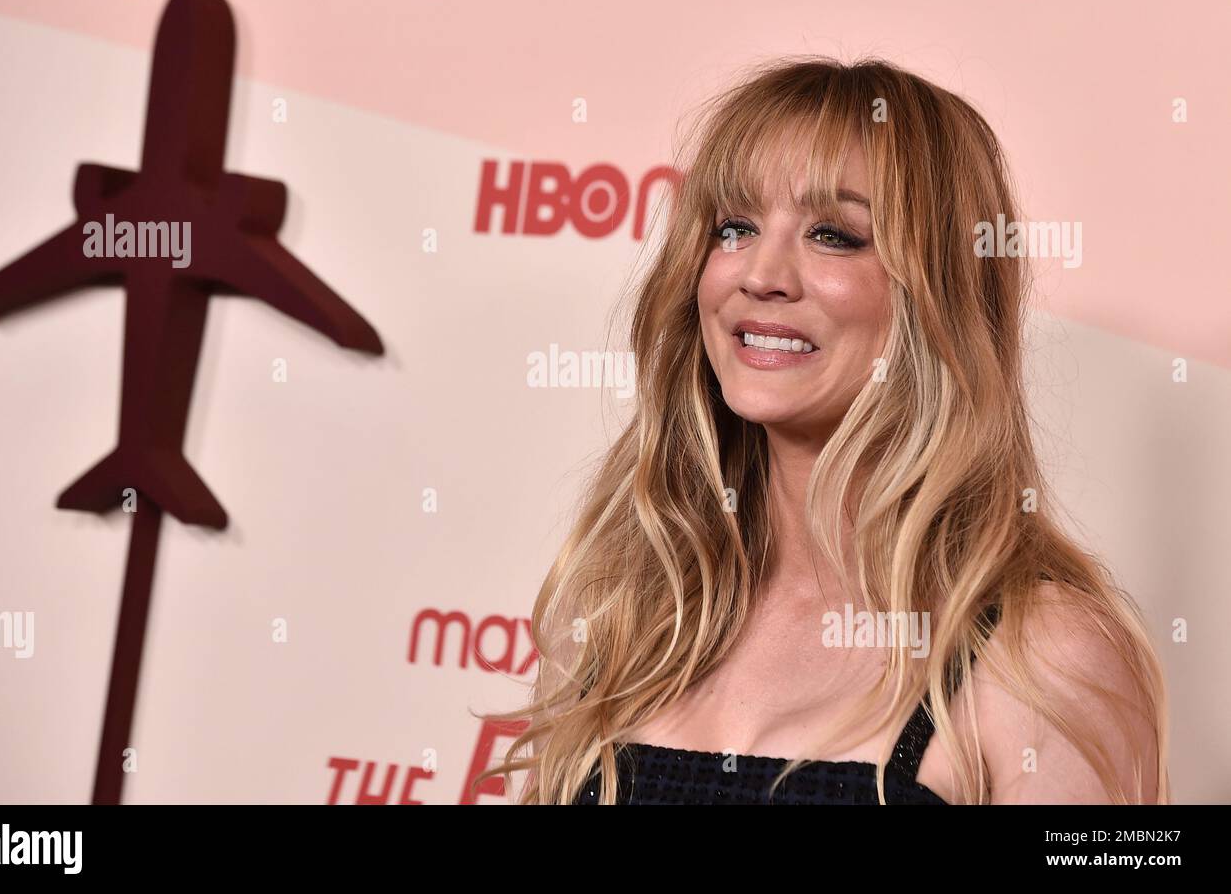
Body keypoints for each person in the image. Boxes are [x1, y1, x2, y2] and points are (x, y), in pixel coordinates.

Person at [477, 56, 1168, 804]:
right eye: (733, 227)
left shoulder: (1047, 659)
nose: (762, 273)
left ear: (940, 290)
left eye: (834, 235)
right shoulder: (629, 613)